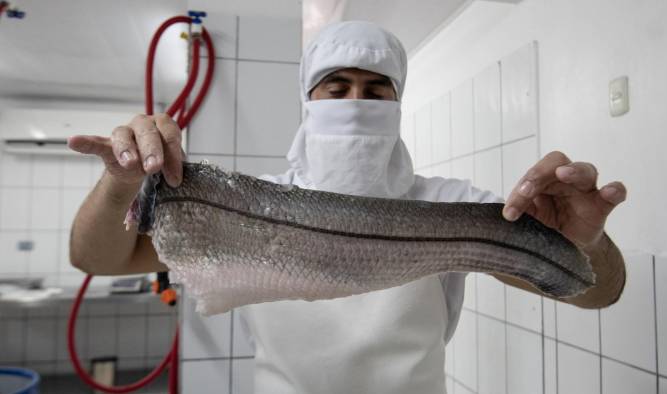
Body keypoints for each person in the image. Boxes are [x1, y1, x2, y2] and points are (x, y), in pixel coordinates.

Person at [68, 21, 627, 394]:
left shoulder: (454, 205)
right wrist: (120, 184)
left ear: (398, 102)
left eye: (375, 90)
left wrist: (585, 242)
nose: (356, 104)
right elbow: (98, 259)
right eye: (336, 89)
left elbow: (596, 291)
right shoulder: (244, 206)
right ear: (309, 102)